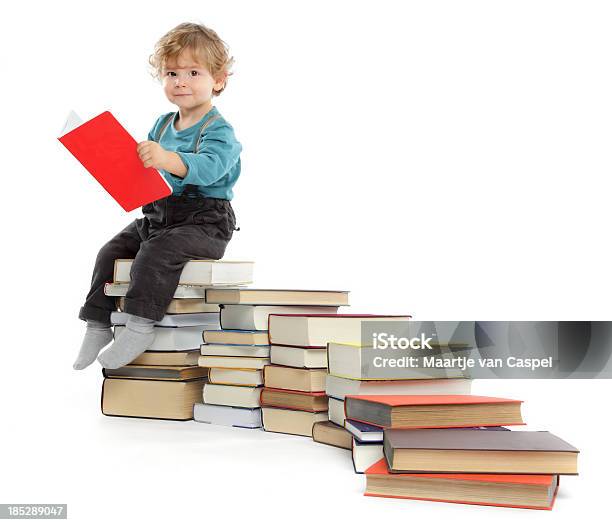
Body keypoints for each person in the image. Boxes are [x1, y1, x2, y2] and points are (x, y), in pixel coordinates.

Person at [73, 22, 242, 370]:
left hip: (204, 221)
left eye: (194, 72)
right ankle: (97, 324)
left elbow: (210, 168)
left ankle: (139, 325)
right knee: (111, 251)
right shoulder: (163, 125)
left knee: (156, 253)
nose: (181, 81)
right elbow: (147, 171)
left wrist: (166, 159)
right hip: (159, 214)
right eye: (172, 72)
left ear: (219, 79)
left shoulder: (219, 130)